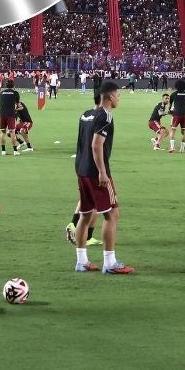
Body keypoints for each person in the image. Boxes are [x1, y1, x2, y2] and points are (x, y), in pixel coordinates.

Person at [67, 81, 134, 274]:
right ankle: (110, 263)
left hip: (82, 169)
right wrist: (103, 172)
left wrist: (80, 168)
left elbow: (80, 144)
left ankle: (81, 261)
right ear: (111, 97)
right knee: (111, 214)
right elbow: (96, 145)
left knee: (86, 214)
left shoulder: (85, 114)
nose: (119, 99)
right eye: (118, 96)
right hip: (97, 173)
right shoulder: (106, 116)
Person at [0, 78, 21, 157]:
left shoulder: (1, 93)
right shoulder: (15, 93)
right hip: (11, 114)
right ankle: (15, 151)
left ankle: (3, 151)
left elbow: (0, 103)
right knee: (12, 132)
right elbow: (18, 104)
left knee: (3, 133)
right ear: (13, 85)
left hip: (2, 114)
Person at [167, 79, 185, 153]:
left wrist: (170, 110)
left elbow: (169, 105)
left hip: (177, 114)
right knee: (184, 131)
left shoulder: (174, 94)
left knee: (173, 130)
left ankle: (172, 147)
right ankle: (182, 148)